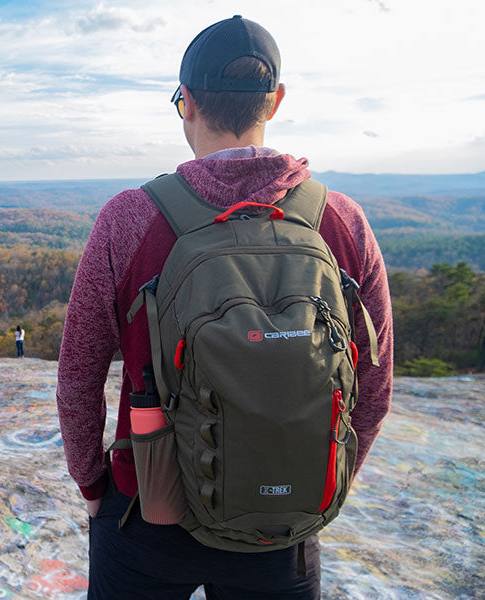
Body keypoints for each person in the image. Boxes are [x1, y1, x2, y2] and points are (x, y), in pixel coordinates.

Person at [56, 15, 393, 599]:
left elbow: (78, 377)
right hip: (284, 521)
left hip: (147, 511)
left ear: (185, 102)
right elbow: (375, 380)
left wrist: (93, 485)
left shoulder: (129, 218)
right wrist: (322, 477)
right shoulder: (339, 219)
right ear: (276, 100)